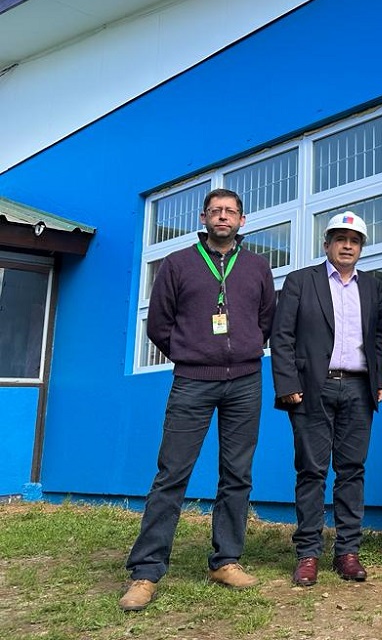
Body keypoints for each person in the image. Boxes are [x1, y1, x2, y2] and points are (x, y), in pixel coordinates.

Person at [119, 189, 276, 612]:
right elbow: (159, 324)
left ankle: (225, 560)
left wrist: (239, 347)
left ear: (243, 220)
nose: (223, 217)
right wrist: (193, 353)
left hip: (245, 382)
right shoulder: (178, 264)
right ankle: (146, 571)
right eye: (216, 211)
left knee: (237, 474)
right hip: (192, 381)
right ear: (204, 217)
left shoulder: (259, 266)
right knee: (172, 473)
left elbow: (266, 320)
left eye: (231, 212)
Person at [270, 211, 382, 586]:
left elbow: (380, 335)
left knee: (352, 471)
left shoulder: (371, 287)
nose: (347, 245)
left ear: (361, 248)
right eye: (340, 239)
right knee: (311, 470)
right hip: (311, 388)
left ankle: (348, 552)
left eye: (354, 241)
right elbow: (282, 335)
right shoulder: (300, 281)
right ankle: (308, 554)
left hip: (358, 388)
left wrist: (379, 378)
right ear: (327, 244)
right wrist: (287, 382)